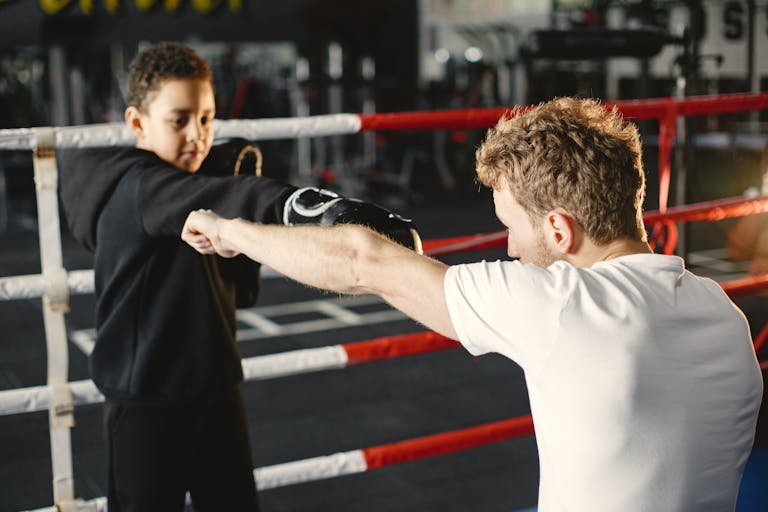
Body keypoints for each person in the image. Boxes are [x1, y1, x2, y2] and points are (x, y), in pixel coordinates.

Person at [182, 97, 763, 511]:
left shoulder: (560, 305)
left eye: (511, 227)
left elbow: (362, 260)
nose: (508, 250)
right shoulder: (725, 316)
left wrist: (228, 231)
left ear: (560, 230)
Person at [56, 42, 418, 512]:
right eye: (179, 119)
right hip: (146, 399)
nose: (197, 135)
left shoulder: (199, 187)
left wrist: (239, 227)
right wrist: (315, 211)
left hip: (215, 385)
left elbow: (242, 291)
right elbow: (223, 194)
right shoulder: (139, 187)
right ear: (137, 123)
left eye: (206, 118)